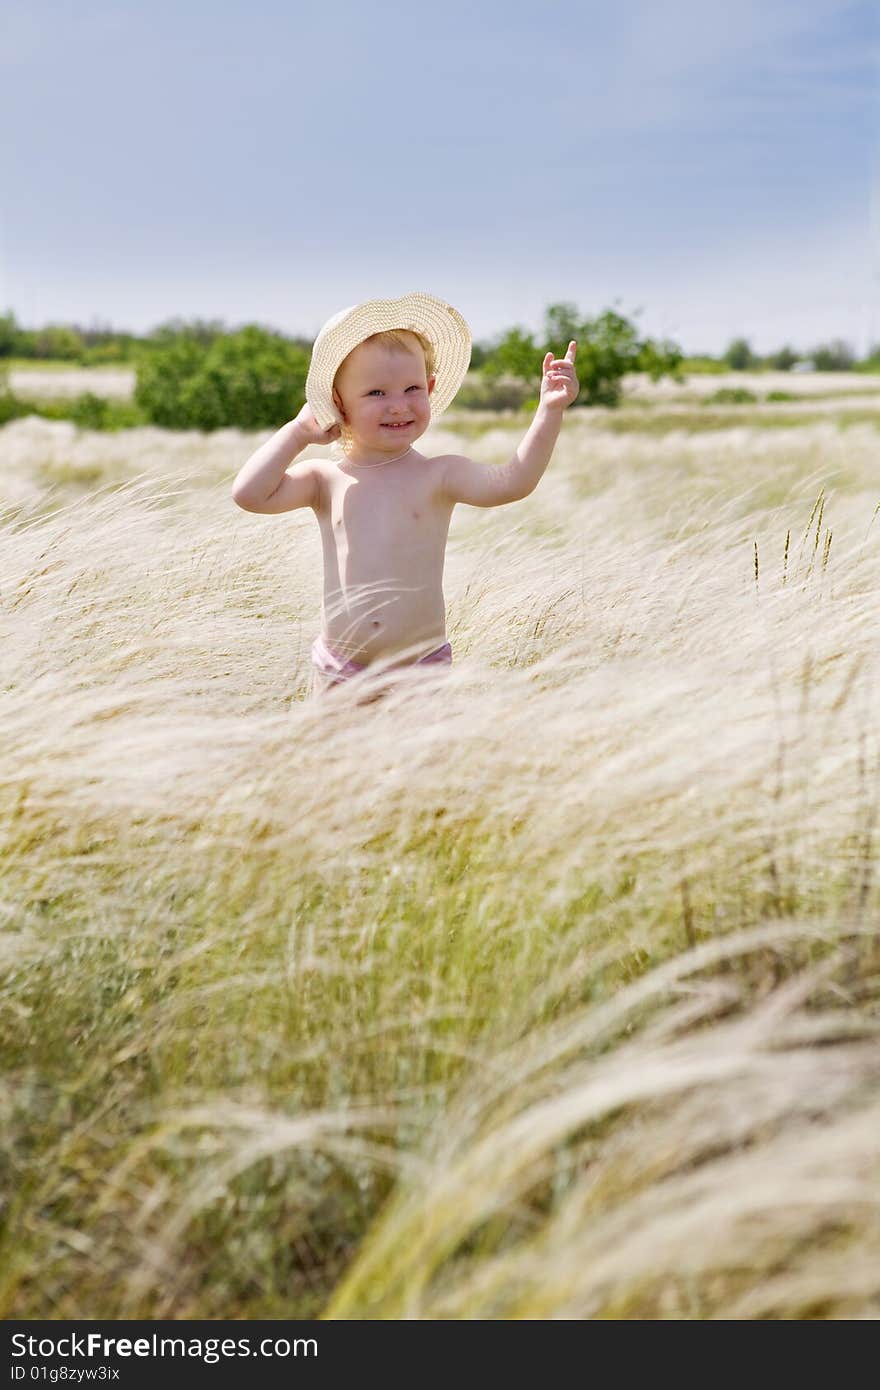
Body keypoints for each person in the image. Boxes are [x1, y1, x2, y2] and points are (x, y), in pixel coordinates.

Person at [231, 292, 578, 701]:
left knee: (421, 764)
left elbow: (513, 481)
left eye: (412, 388)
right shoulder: (324, 480)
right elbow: (249, 494)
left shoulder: (439, 474)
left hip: (420, 669)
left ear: (430, 389)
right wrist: (298, 431)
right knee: (334, 763)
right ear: (337, 404)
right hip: (342, 668)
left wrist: (549, 410)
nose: (398, 406)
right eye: (376, 393)